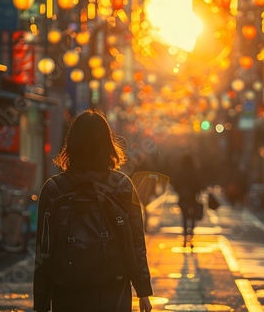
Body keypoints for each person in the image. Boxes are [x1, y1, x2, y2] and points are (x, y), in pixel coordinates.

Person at [33, 109, 153, 312]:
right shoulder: (121, 185)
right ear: (107, 144)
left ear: (70, 144)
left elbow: (44, 250)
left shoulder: (54, 188)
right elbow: (136, 243)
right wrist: (143, 291)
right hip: (113, 286)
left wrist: (41, 301)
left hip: (67, 288)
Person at [173, 154, 203, 247]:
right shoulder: (194, 171)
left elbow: (175, 184)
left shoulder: (180, 172)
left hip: (183, 198)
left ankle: (185, 235)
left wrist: (180, 191)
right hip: (192, 198)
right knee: (193, 217)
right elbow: (198, 185)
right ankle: (191, 234)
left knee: (185, 217)